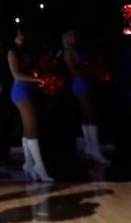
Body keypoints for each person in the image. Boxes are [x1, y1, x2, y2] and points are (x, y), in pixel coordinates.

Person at [7, 26, 53, 182]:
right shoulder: (12, 52)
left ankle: (28, 164)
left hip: (30, 89)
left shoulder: (27, 52)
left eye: (22, 33)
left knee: (28, 128)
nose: (21, 36)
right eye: (17, 34)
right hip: (21, 91)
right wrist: (39, 80)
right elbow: (16, 74)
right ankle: (39, 167)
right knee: (32, 128)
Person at [60, 28, 109, 164]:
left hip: (84, 82)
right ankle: (95, 148)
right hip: (80, 83)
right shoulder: (68, 52)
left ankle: (90, 146)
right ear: (65, 38)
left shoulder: (77, 50)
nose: (74, 37)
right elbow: (74, 71)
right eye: (70, 35)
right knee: (92, 114)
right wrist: (92, 69)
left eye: (74, 34)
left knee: (86, 115)